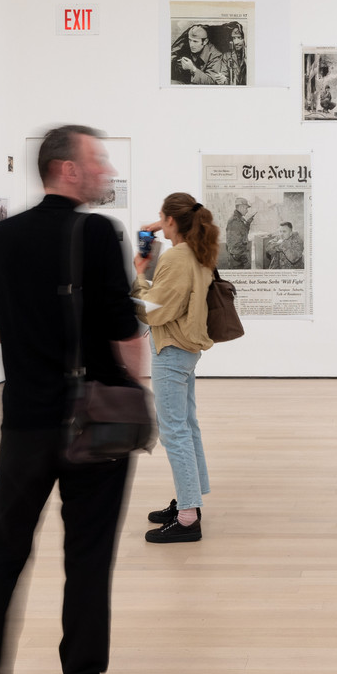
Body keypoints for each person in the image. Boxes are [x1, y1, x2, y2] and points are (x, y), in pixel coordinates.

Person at [0, 125, 149, 674]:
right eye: (98, 161)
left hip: (25, 423)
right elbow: (126, 335)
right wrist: (130, 379)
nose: (106, 171)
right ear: (67, 169)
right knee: (87, 557)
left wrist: (33, 331)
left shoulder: (4, 235)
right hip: (94, 421)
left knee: (5, 555)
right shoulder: (97, 232)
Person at [131, 192, 220, 544]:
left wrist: (140, 275)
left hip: (171, 349)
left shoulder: (177, 258)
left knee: (174, 433)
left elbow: (152, 311)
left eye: (161, 217)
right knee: (188, 427)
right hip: (187, 350)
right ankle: (191, 504)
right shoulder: (198, 252)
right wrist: (159, 226)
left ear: (172, 221)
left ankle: (187, 519)